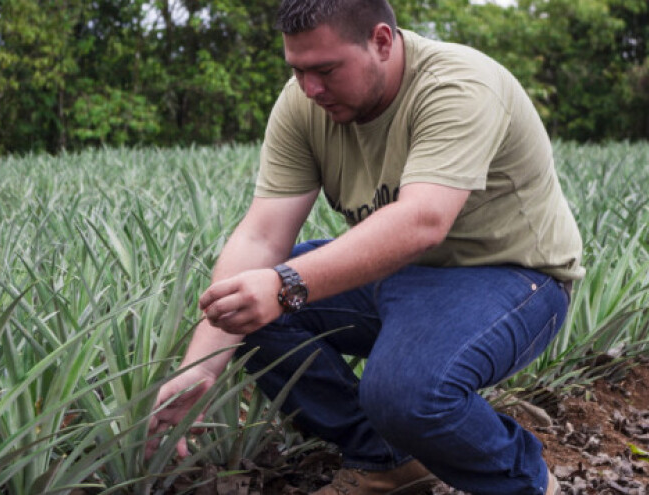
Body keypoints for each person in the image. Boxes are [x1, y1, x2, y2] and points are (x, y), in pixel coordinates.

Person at [147, 0, 583, 493]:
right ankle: (387, 460)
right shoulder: (303, 103)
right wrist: (199, 370)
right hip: (398, 272)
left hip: (512, 277)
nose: (310, 89)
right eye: (298, 71)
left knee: (406, 393)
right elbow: (261, 236)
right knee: (245, 304)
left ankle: (524, 482)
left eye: (325, 70)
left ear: (380, 40)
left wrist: (286, 283)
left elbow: (422, 220)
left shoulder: (457, 85)